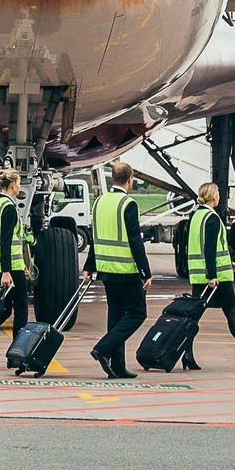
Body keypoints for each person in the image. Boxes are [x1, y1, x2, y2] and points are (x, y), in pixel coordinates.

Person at [184, 182, 235, 370]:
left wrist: (228, 262)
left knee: (193, 318)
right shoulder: (212, 218)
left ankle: (187, 353)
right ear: (214, 197)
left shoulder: (195, 215)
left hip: (198, 276)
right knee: (232, 313)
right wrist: (212, 275)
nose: (220, 196)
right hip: (216, 279)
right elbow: (209, 249)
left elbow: (201, 246)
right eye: (218, 193)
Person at [84, 162, 150, 379]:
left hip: (106, 270)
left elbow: (95, 236)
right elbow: (135, 240)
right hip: (125, 269)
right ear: (130, 179)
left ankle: (117, 366)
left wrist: (89, 265)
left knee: (115, 317)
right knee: (138, 313)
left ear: (113, 178)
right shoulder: (128, 204)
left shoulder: (100, 202)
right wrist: (145, 272)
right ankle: (103, 348)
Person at [0, 168, 34, 337]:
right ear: (12, 185)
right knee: (21, 308)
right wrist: (7, 271)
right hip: (9, 268)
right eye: (18, 182)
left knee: (3, 310)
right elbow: (5, 242)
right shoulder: (9, 207)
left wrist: (21, 263)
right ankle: (17, 352)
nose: (19, 186)